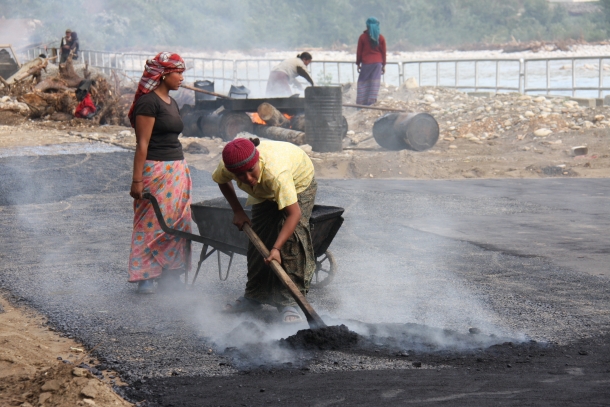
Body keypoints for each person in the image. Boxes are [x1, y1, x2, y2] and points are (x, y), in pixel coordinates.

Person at [212, 138, 316, 323]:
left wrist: (276, 249)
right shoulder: (227, 166)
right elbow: (222, 181)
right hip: (265, 191)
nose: (249, 179)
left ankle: (289, 302)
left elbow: (294, 214)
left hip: (298, 182)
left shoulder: (277, 173)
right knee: (258, 239)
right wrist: (238, 210)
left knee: (291, 242)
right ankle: (254, 296)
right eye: (240, 176)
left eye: (251, 171)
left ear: (257, 161)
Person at [127, 52, 192, 294]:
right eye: (178, 72)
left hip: (176, 168)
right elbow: (142, 144)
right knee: (150, 222)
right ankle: (145, 276)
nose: (182, 78)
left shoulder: (172, 103)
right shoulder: (148, 103)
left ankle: (170, 273)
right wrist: (137, 180)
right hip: (155, 169)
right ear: (163, 75)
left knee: (177, 221)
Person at [356, 17, 386, 106]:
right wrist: (383, 65)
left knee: (363, 82)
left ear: (367, 26)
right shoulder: (381, 38)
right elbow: (383, 53)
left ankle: (361, 104)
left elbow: (359, 52)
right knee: (374, 83)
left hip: (366, 63)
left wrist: (358, 63)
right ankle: (371, 104)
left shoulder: (362, 37)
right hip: (377, 64)